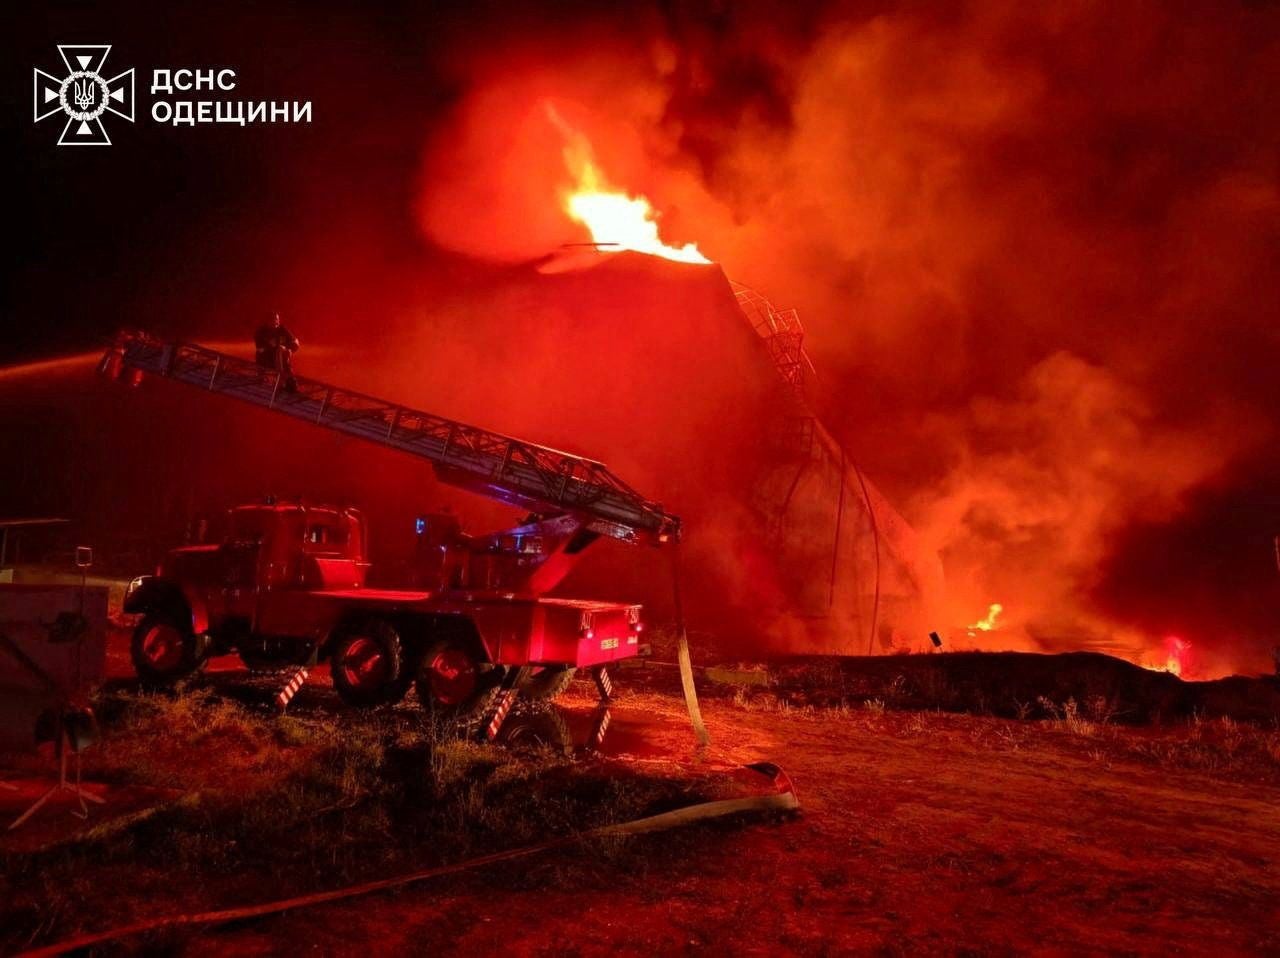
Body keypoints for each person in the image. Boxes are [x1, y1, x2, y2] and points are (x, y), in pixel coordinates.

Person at [254, 311, 301, 392]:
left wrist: (288, 349)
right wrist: (275, 348)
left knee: (282, 351)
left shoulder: (282, 329)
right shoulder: (261, 332)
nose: (276, 321)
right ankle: (281, 381)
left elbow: (296, 342)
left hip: (281, 361)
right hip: (266, 360)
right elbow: (260, 349)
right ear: (268, 321)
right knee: (279, 351)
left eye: (277, 319)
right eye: (274, 319)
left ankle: (289, 383)